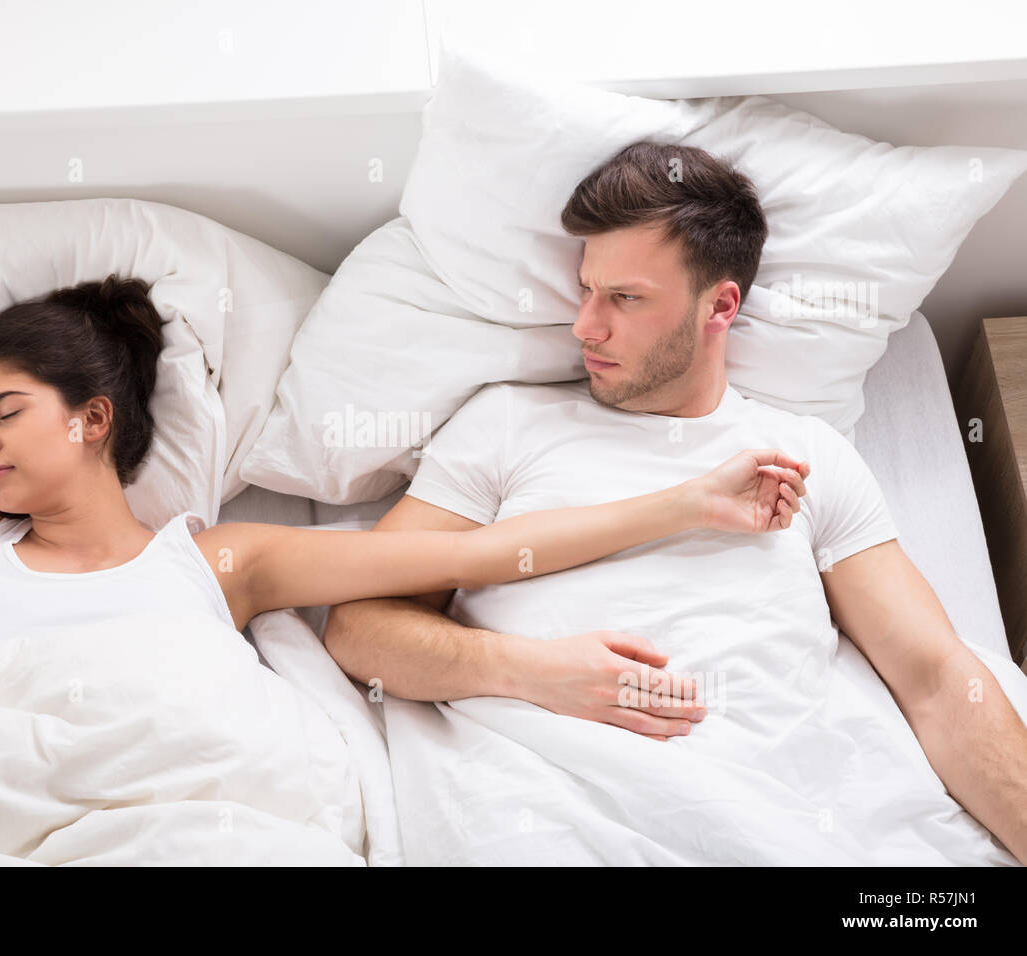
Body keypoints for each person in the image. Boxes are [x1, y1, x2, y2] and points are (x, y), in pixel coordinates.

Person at [322, 141, 1027, 865]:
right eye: (587, 288)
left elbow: (937, 680)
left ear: (719, 305)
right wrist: (525, 670)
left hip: (796, 825)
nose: (585, 327)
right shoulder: (506, 425)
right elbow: (360, 626)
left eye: (625, 298)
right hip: (566, 817)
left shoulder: (804, 452)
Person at [0, 274, 808, 703]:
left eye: (3, 411)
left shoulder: (223, 558)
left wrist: (682, 503)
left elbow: (476, 553)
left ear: (91, 416)